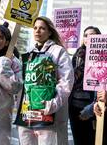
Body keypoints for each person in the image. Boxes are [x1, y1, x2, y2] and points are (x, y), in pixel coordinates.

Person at [15, 16, 74, 145]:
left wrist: (52, 104)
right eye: (35, 28)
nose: (37, 31)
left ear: (49, 32)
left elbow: (66, 81)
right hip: (28, 114)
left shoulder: (59, 52)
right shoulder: (29, 53)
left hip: (50, 114)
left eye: (42, 28)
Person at [69, 26, 101, 145]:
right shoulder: (77, 55)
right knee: (78, 139)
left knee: (92, 140)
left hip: (94, 106)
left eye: (92, 35)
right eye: (86, 35)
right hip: (74, 106)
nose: (88, 38)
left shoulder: (104, 55)